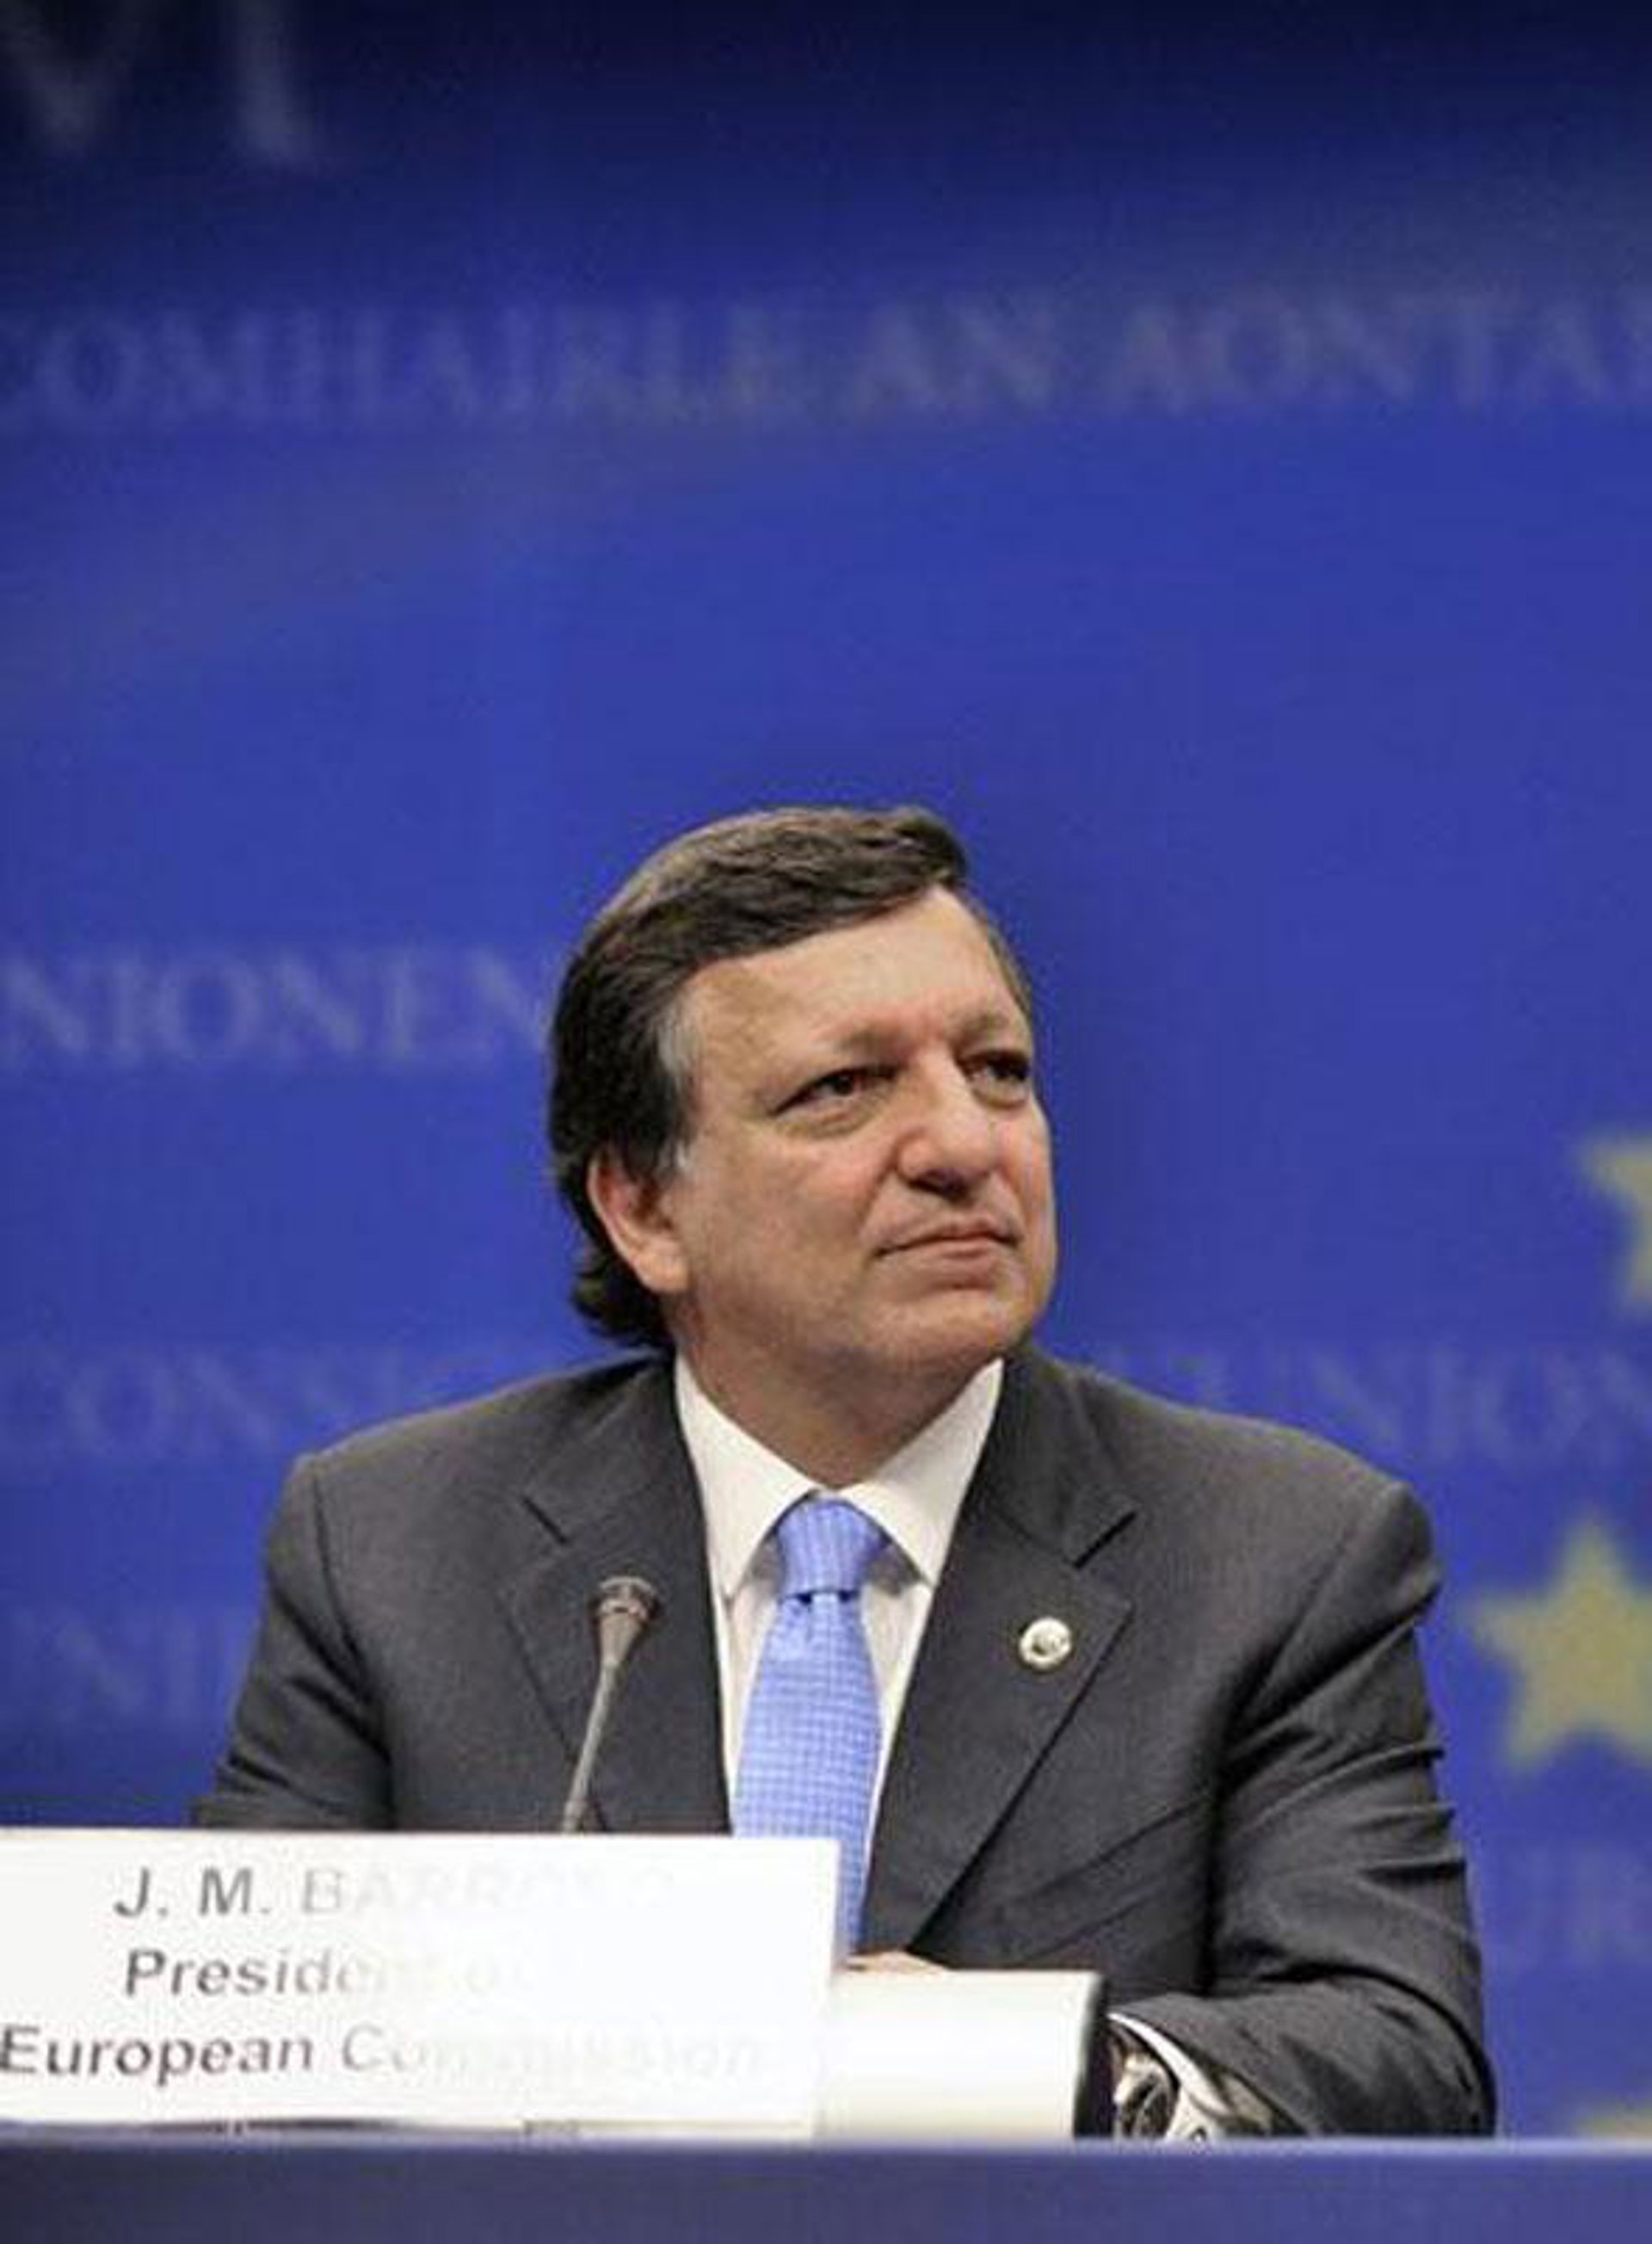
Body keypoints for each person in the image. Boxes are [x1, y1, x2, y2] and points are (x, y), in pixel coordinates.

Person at [197, 805, 1493, 2137]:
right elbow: (233, 2063)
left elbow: (1399, 2054)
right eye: (843, 1090)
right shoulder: (392, 1548)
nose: (963, 1146)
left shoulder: (1273, 1556)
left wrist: (1010, 2063)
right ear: (644, 1207)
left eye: (997, 1071)